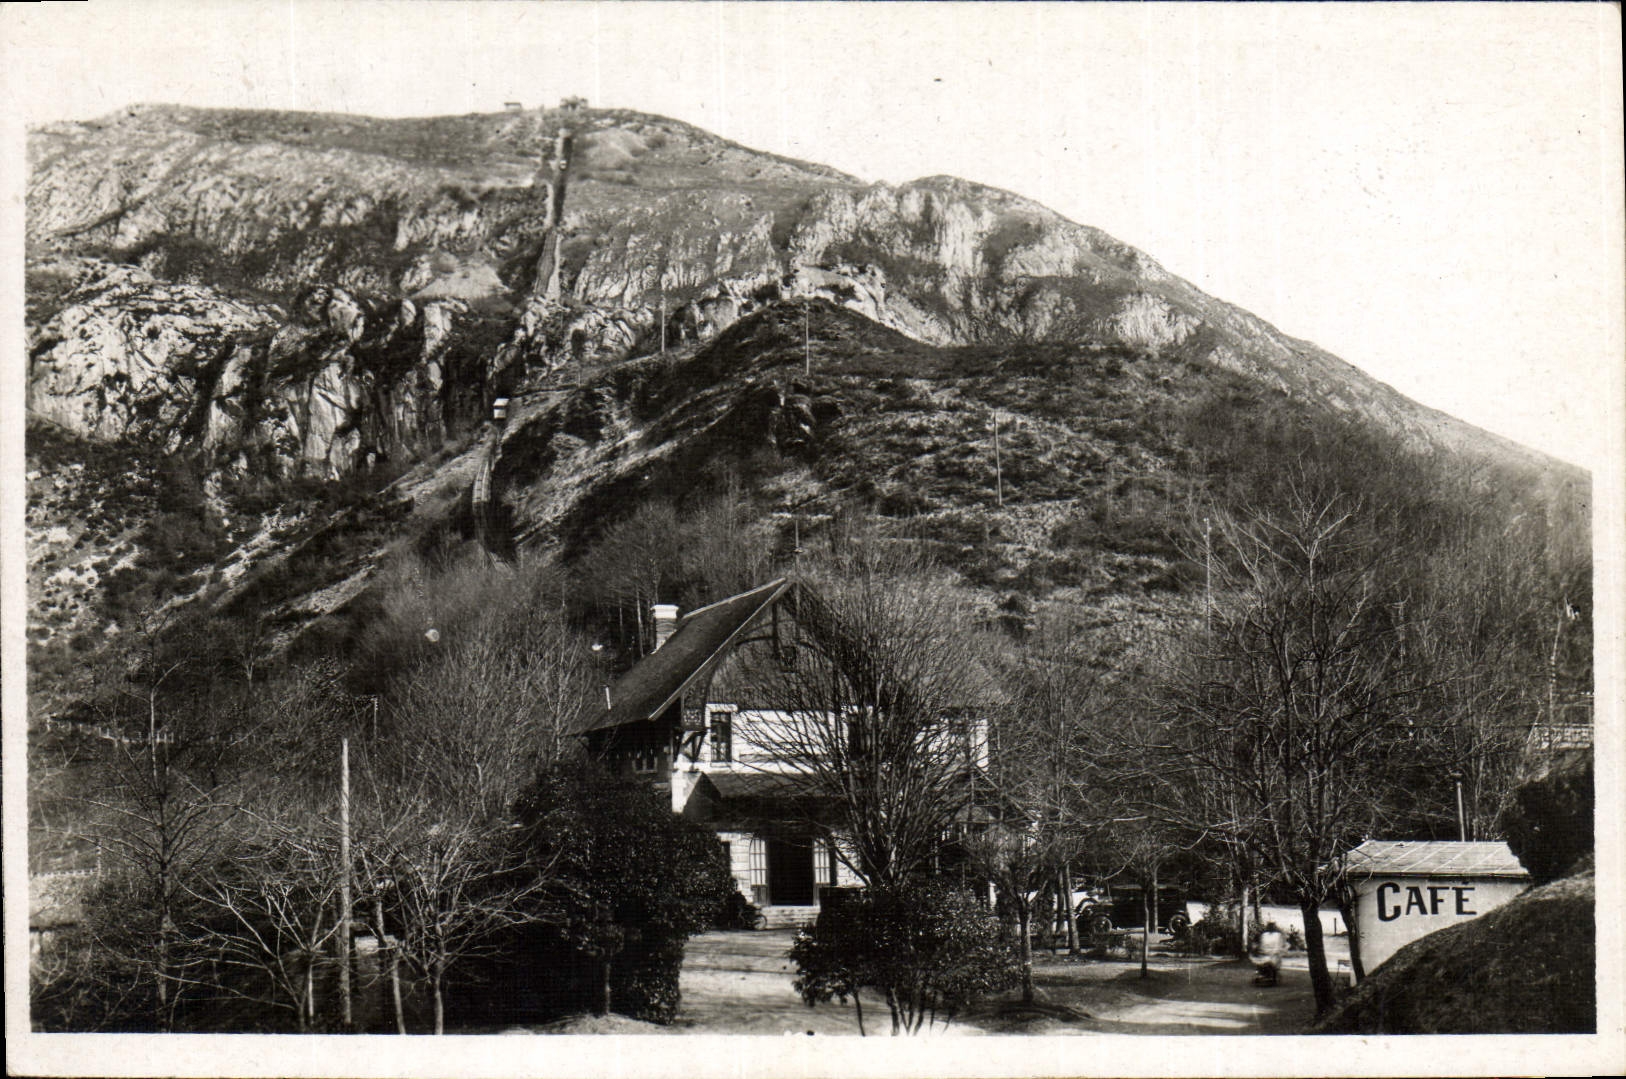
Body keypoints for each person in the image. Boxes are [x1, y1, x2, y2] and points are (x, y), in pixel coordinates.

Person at [1253, 922, 1286, 986]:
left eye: (1272, 926)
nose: (1270, 928)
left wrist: (1273, 952)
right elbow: (1262, 945)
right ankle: (1263, 975)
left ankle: (1271, 976)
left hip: (1274, 954)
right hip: (1265, 953)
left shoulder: (1278, 935)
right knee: (1262, 962)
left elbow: (1279, 946)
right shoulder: (1264, 935)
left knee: (1271, 962)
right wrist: (1262, 951)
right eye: (1269, 926)